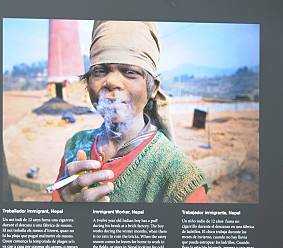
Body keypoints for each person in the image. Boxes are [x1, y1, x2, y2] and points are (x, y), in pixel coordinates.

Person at [52, 20, 208, 204]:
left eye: (130, 72)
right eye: (100, 71)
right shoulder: (75, 145)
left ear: (153, 88)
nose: (111, 82)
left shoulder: (180, 179)